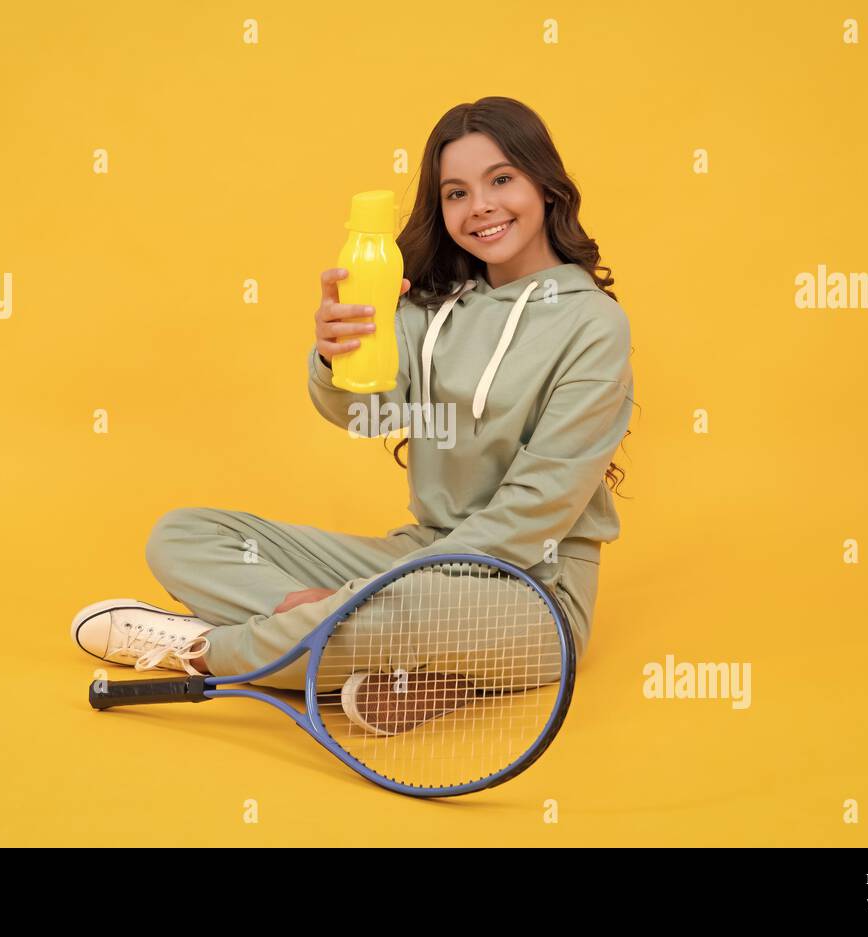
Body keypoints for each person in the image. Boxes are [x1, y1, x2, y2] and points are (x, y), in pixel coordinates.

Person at [71, 96, 637, 733]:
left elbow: (536, 510)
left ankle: (200, 650)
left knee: (392, 612)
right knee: (183, 535)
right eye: (455, 192)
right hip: (421, 555)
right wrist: (335, 353)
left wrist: (362, 597)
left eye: (501, 179)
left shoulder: (594, 325)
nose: (479, 205)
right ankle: (395, 669)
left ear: (544, 184)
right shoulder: (431, 306)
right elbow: (361, 414)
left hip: (536, 590)